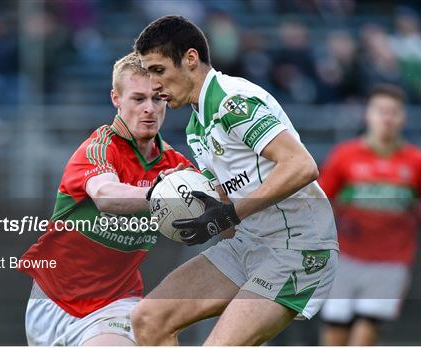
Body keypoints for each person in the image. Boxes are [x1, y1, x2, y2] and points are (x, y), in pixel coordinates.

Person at [131, 15, 339, 345]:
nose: (153, 86)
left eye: (158, 70)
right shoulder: (196, 128)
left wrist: (231, 214)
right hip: (248, 243)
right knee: (148, 319)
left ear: (190, 59)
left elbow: (301, 166)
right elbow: (227, 222)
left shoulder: (232, 101)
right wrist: (197, 203)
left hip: (297, 247)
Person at [18, 52, 192, 346]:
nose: (149, 109)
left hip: (115, 304)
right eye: (138, 99)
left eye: (157, 99)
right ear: (116, 98)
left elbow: (223, 214)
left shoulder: (178, 169)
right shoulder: (98, 148)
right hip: (51, 303)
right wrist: (159, 193)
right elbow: (105, 194)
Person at [318, 84, 421, 346]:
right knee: (335, 332)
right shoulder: (345, 156)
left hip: (391, 261)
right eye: (381, 111)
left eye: (394, 112)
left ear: (403, 117)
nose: (387, 117)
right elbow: (321, 200)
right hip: (346, 256)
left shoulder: (418, 162)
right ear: (368, 115)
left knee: (366, 331)